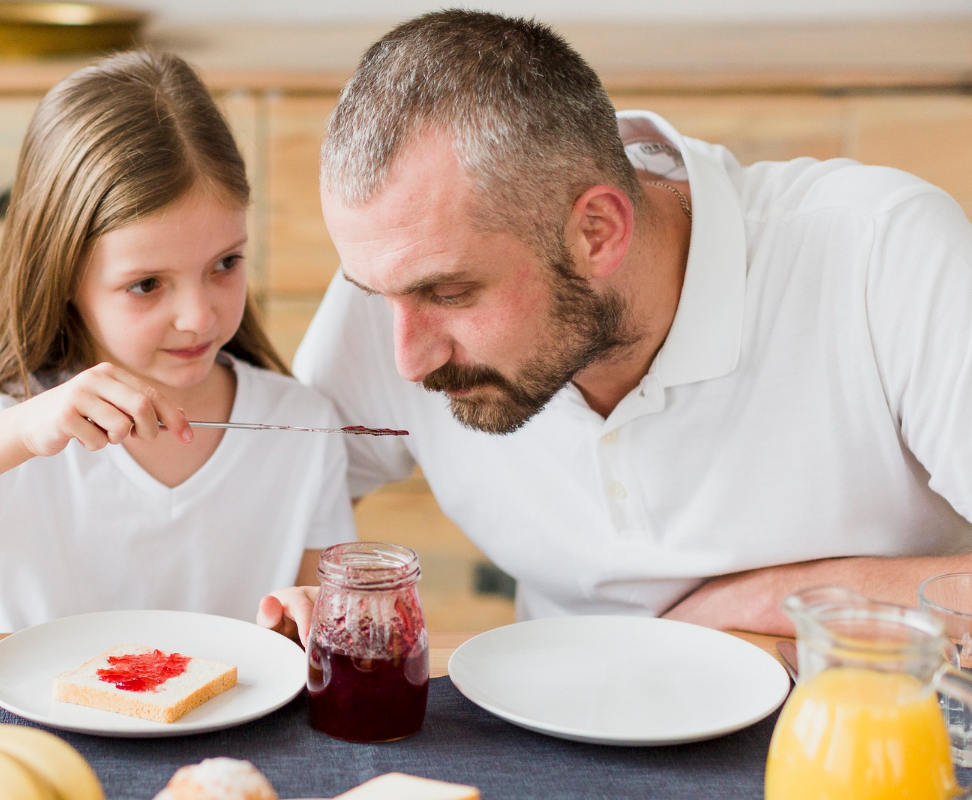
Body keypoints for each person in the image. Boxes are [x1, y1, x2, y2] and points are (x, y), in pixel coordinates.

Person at [257, 10, 972, 643]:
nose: (408, 362)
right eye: (375, 292)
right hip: (558, 754)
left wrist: (778, 601)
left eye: (452, 292)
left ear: (597, 231)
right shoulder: (405, 278)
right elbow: (259, 498)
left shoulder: (884, 252)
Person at [0, 51, 355, 634]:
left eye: (225, 263)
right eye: (147, 284)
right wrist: (20, 433)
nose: (199, 317)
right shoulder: (5, 427)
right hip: (27, 729)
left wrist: (311, 617)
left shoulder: (302, 426)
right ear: (64, 277)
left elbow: (302, 628)